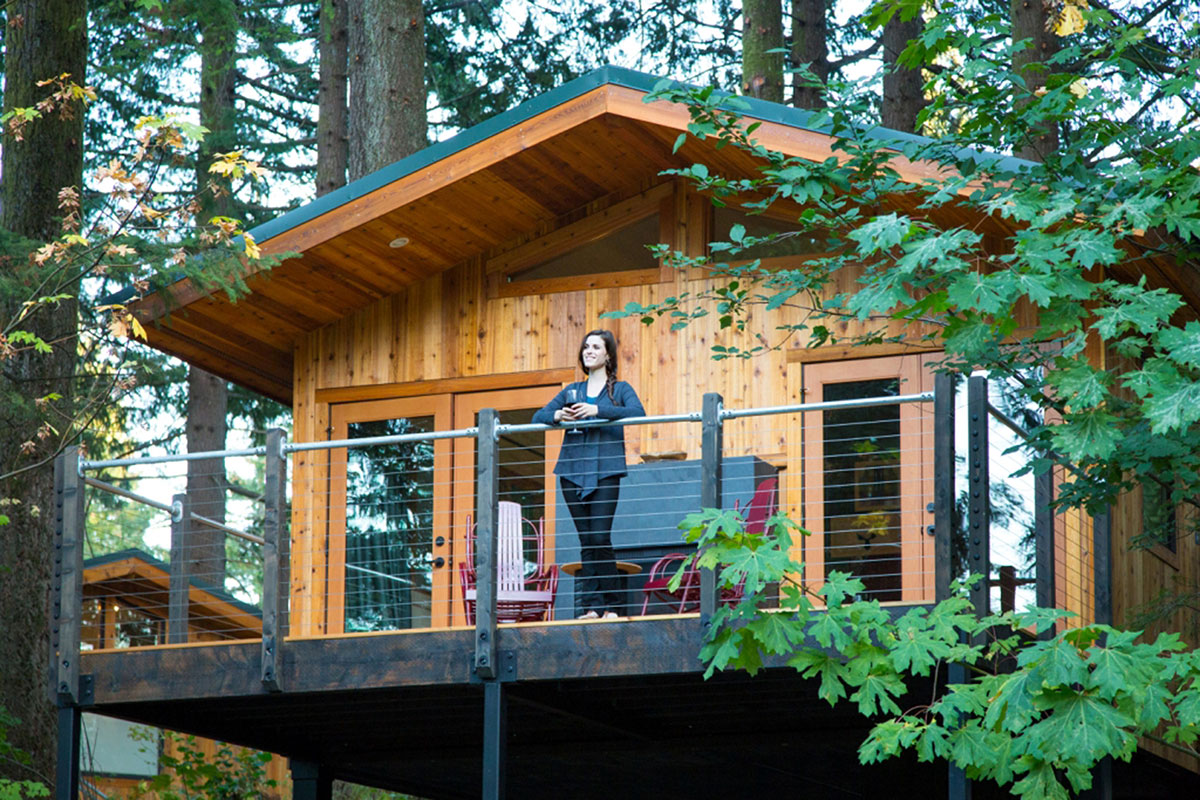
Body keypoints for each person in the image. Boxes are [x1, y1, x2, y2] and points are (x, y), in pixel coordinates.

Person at [534, 329, 645, 619]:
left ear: (608, 355)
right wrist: (557, 415)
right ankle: (593, 607)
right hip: (571, 471)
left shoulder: (620, 390)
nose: (589, 351)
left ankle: (614, 606)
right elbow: (538, 416)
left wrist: (597, 410)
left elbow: (638, 412)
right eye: (586, 347)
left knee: (599, 537)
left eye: (596, 347)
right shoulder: (571, 391)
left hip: (606, 470)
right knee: (586, 540)